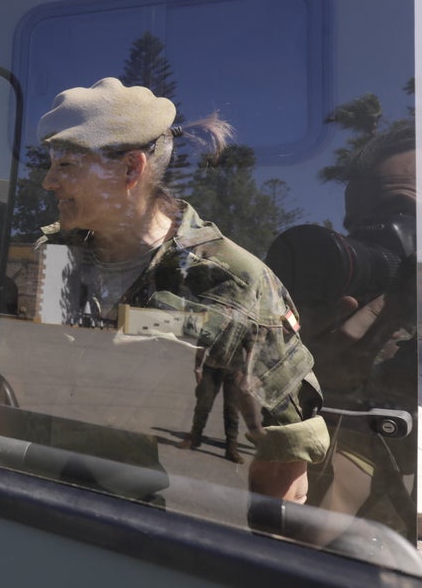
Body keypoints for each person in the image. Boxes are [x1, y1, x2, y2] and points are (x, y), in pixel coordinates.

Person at [35, 77, 327, 502]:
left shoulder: (232, 282)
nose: (48, 181)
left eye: (66, 166)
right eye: (50, 163)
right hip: (38, 507)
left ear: (131, 168)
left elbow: (282, 476)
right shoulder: (56, 255)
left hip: (168, 532)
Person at [293, 124, 417, 539]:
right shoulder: (352, 339)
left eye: (406, 216)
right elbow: (313, 528)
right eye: (362, 227)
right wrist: (321, 392)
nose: (385, 241)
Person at [177, 346, 244, 464]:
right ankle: (194, 438)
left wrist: (245, 370)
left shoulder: (245, 326)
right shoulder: (213, 326)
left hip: (234, 371)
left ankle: (231, 448)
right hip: (212, 369)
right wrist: (197, 368)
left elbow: (251, 348)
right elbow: (202, 344)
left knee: (232, 410)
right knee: (203, 404)